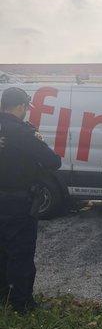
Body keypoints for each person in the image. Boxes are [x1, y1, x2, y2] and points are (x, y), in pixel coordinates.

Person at [0, 87, 61, 314]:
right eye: (26, 107)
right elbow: (52, 161)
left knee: (1, 250)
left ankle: (4, 295)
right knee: (21, 252)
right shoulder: (22, 132)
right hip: (17, 202)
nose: (26, 111)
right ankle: (22, 304)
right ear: (20, 106)